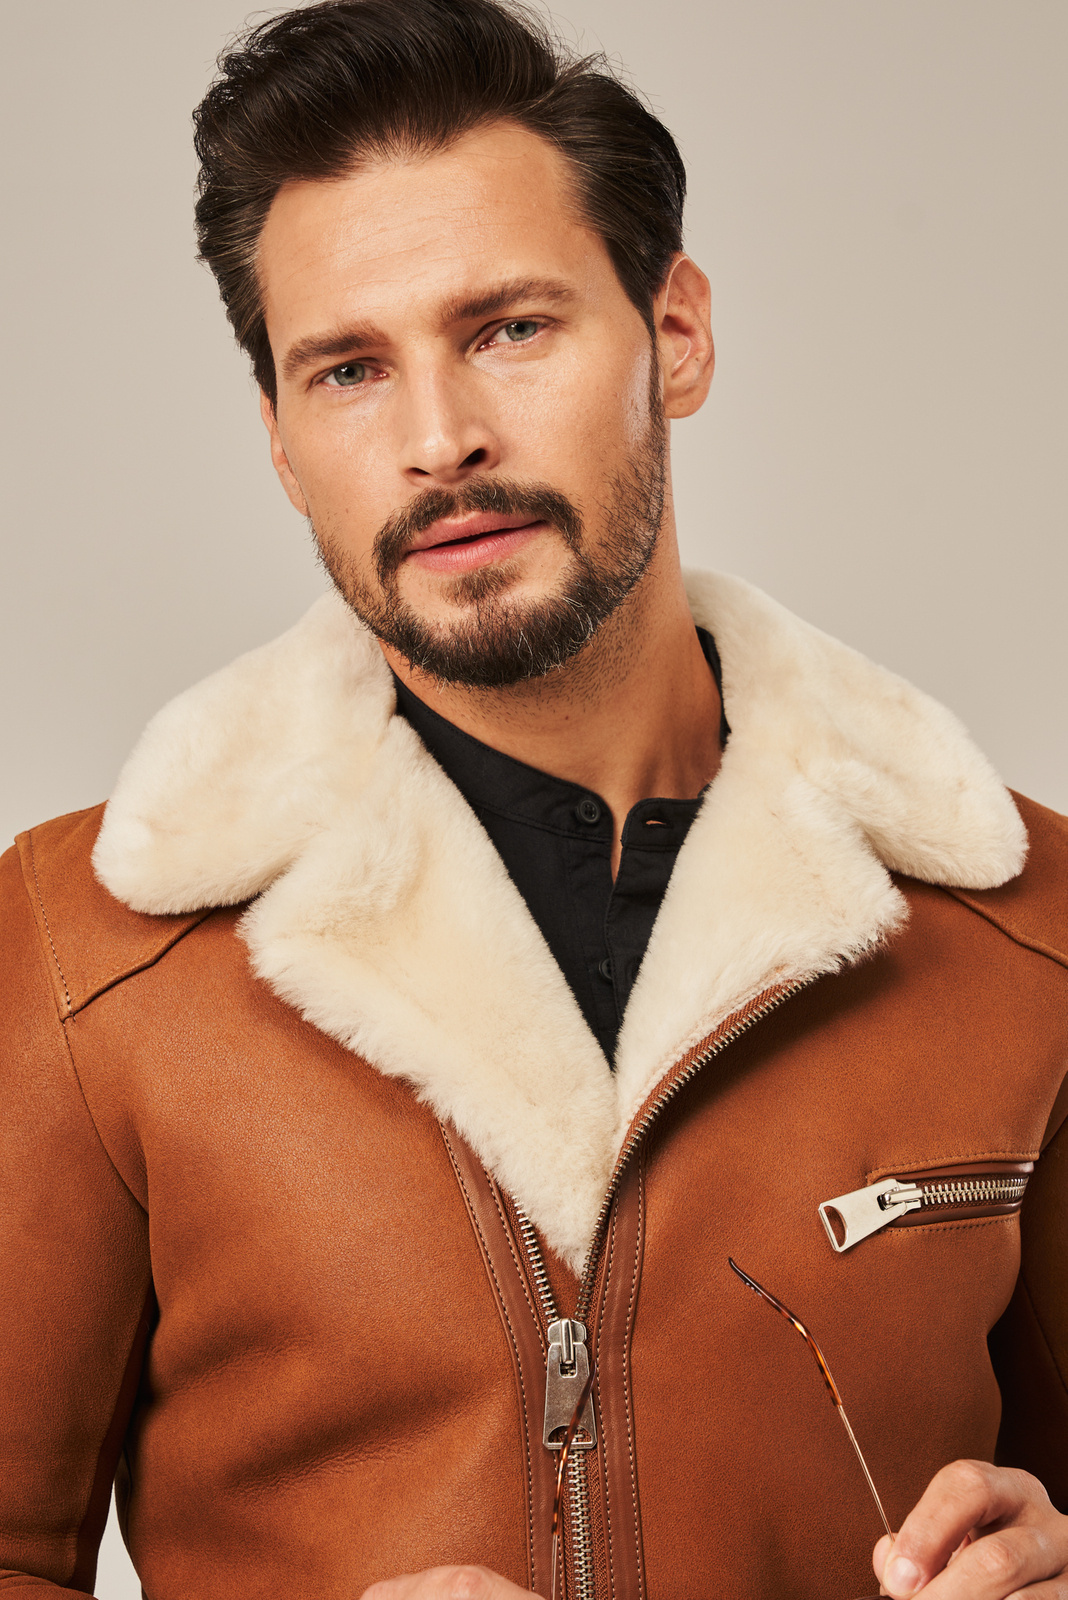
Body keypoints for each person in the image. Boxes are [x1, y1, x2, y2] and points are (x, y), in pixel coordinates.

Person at [1, 1, 1066, 1597]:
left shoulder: (1028, 923)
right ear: (281, 441)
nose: (440, 440)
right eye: (349, 369)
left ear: (676, 335)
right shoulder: (78, 952)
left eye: (508, 328)